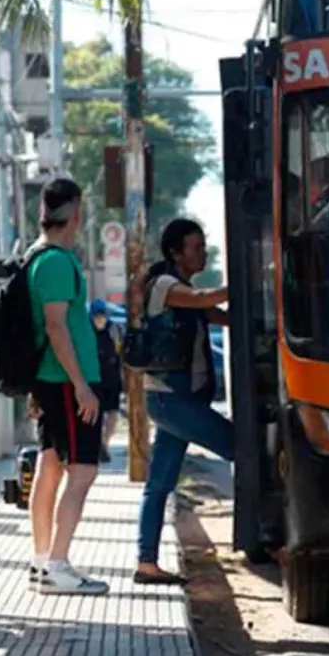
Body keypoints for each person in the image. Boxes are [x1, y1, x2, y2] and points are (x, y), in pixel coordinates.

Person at [135, 219, 234, 585]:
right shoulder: (165, 286)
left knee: (159, 484)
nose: (201, 251)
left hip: (173, 399)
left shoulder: (184, 288)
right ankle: (273, 538)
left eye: (202, 244)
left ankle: (146, 562)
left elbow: (218, 314)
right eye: (195, 246)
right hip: (170, 399)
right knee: (243, 448)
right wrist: (244, 278)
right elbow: (205, 300)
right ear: (176, 252)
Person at [25, 178, 108, 596]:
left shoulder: (36, 257)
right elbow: (56, 327)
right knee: (82, 472)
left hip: (51, 380)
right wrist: (81, 386)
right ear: (75, 214)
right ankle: (56, 565)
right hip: (65, 381)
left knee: (50, 468)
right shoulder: (56, 261)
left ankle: (43, 562)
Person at [89, 299, 124, 464]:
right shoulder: (86, 331)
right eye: (97, 316)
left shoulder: (115, 329)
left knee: (112, 413)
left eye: (102, 315)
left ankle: (104, 443)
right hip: (93, 379)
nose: (100, 319)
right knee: (96, 414)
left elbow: (122, 352)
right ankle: (96, 444)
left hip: (112, 379)